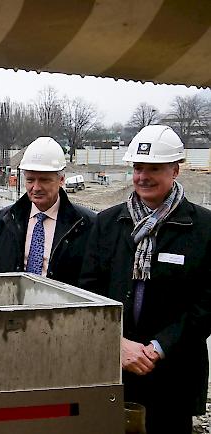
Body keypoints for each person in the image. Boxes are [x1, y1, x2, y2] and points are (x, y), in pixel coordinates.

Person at [79, 125, 211, 434]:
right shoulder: (109, 223)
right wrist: (118, 343)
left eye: (154, 168)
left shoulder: (203, 229)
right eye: (138, 168)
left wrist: (158, 347)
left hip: (173, 372)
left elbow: (207, 303)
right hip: (114, 365)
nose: (143, 177)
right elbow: (88, 291)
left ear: (175, 170)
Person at [0, 137, 95, 285]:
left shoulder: (86, 225)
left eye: (44, 180)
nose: (36, 188)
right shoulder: (4, 219)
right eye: (30, 180)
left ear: (61, 180)